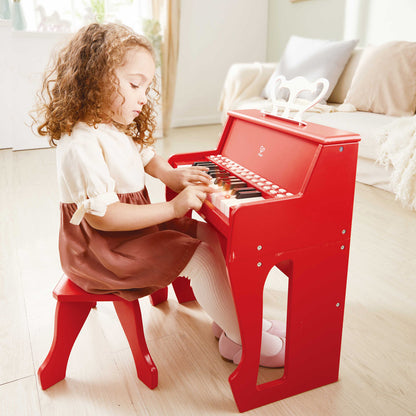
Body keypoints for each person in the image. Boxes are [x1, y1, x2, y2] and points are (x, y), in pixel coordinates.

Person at [34, 22, 285, 367]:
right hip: (102, 250)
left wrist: (171, 174)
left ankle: (229, 323)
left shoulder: (113, 126)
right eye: (135, 84)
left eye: (146, 86)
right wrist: (172, 208)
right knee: (200, 258)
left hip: (130, 234)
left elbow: (147, 157)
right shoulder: (81, 143)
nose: (142, 95)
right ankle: (247, 340)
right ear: (94, 80)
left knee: (210, 234)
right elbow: (103, 216)